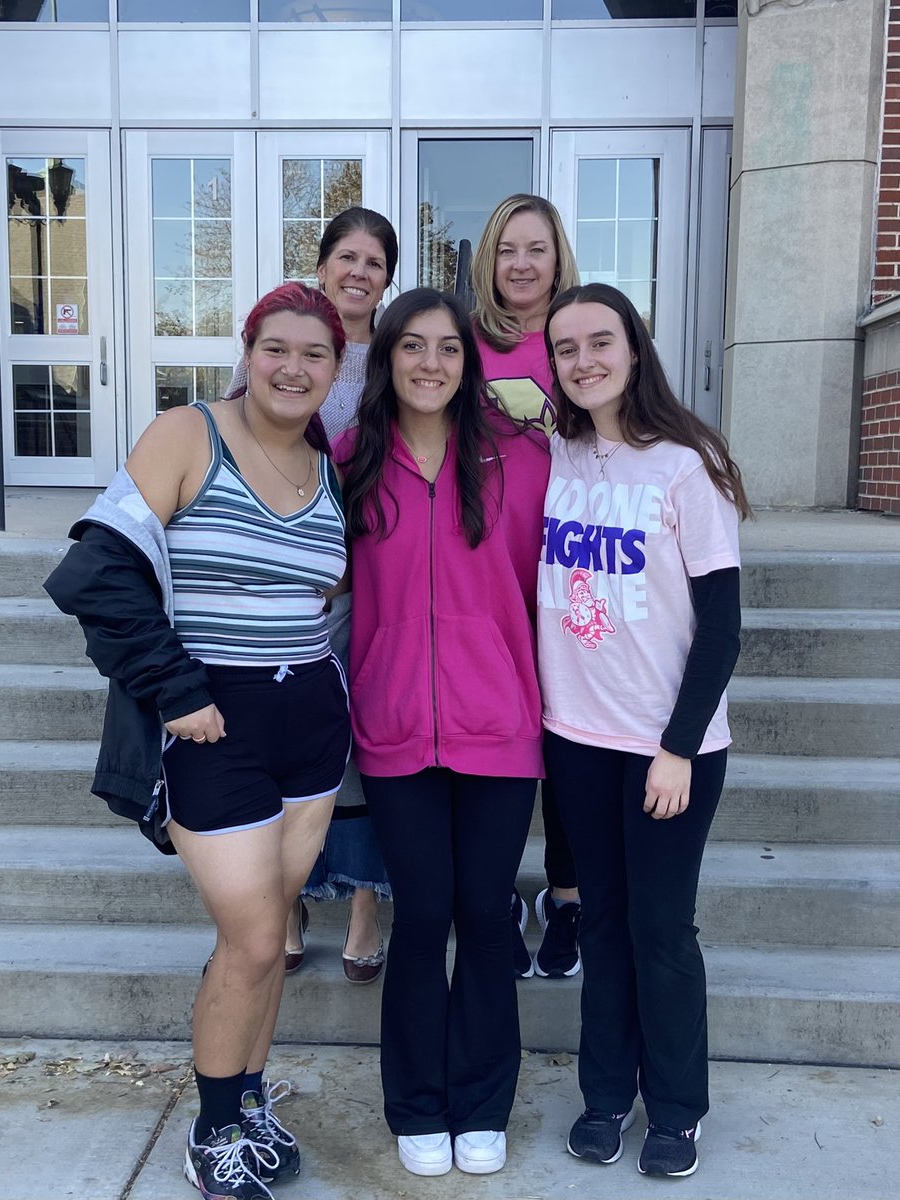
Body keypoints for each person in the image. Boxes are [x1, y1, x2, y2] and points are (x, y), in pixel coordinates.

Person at [46, 283, 350, 1200]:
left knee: (273, 926)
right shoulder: (189, 435)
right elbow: (96, 573)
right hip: (213, 723)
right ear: (248, 352)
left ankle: (249, 1101)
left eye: (316, 354)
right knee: (254, 938)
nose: (294, 368)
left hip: (313, 724)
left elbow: (324, 589)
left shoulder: (326, 459)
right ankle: (213, 1131)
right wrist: (177, 688)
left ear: (336, 371)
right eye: (277, 349)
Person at [335, 288, 550, 1178]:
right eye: (412, 346)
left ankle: (483, 1100)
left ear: (472, 363)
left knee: (485, 917)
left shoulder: (520, 458)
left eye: (449, 349)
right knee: (423, 916)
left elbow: (558, 584)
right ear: (386, 358)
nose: (431, 363)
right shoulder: (349, 459)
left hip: (499, 726)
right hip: (393, 730)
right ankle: (418, 1104)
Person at [538, 283, 750, 1179]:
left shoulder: (686, 463)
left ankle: (676, 1109)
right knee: (603, 925)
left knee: (663, 929)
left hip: (668, 748)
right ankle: (604, 1097)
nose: (582, 360)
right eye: (565, 348)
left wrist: (678, 744)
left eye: (599, 342)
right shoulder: (555, 454)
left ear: (634, 348)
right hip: (575, 738)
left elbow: (723, 626)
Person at [226, 206, 399, 983]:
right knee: (281, 730)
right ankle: (287, 899)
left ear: (388, 277)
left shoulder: (396, 353)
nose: (359, 272)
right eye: (347, 257)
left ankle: (365, 900)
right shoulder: (287, 336)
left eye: (374, 262)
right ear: (323, 263)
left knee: (358, 740)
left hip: (372, 571)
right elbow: (235, 442)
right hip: (284, 577)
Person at [470, 193, 582, 980]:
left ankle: (568, 896)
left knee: (572, 739)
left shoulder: (584, 336)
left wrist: (557, 425)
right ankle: (501, 893)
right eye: (507, 248)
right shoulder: (463, 341)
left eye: (535, 249)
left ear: (556, 257)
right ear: (488, 257)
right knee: (498, 742)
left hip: (573, 566)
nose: (520, 264)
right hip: (483, 564)